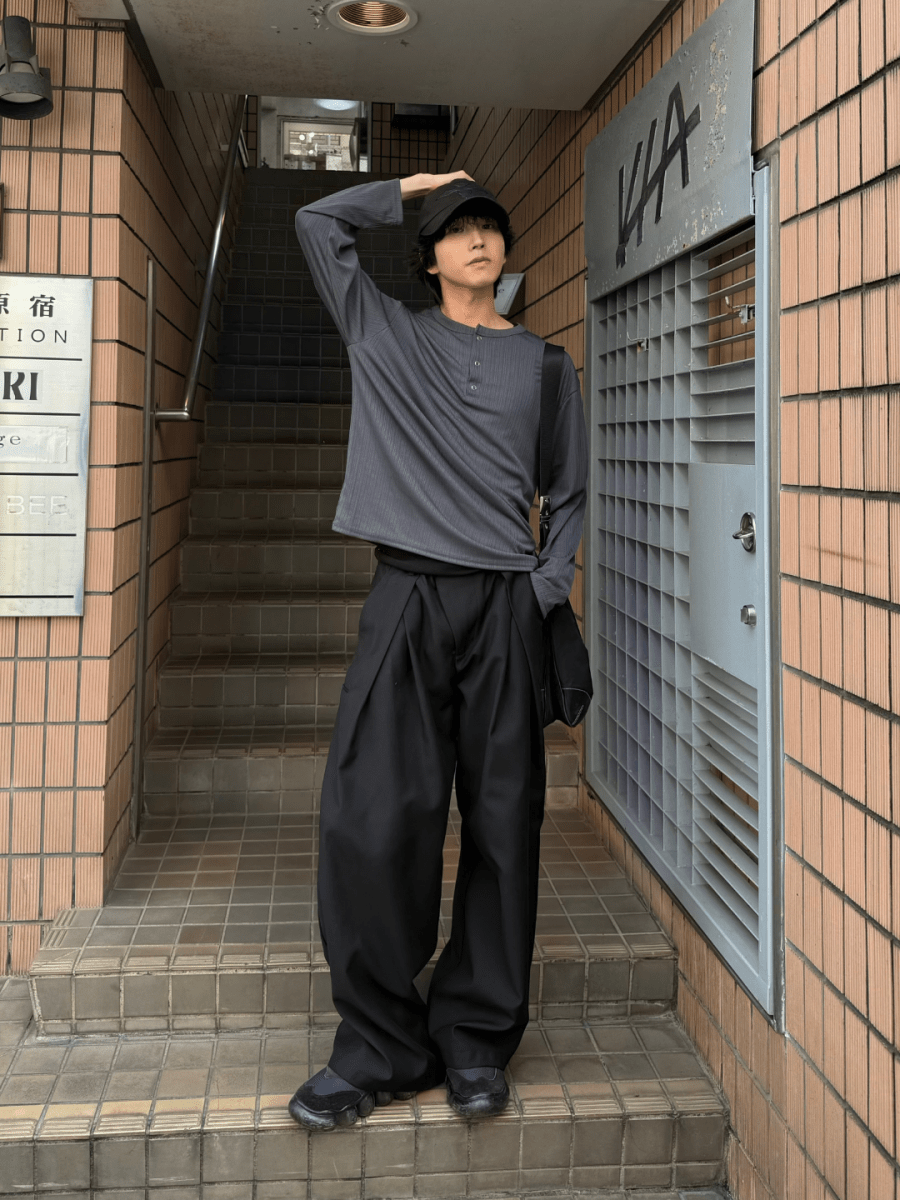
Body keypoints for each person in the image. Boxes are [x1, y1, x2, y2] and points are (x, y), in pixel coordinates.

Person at [288, 171, 588, 1130]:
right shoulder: (384, 333)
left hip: (504, 605)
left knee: (503, 824)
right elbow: (315, 223)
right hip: (407, 596)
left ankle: (476, 1039)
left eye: (491, 226)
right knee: (373, 819)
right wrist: (413, 186)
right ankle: (378, 1048)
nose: (479, 239)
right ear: (427, 259)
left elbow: (569, 495)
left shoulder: (545, 367)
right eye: (458, 229)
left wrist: (538, 592)